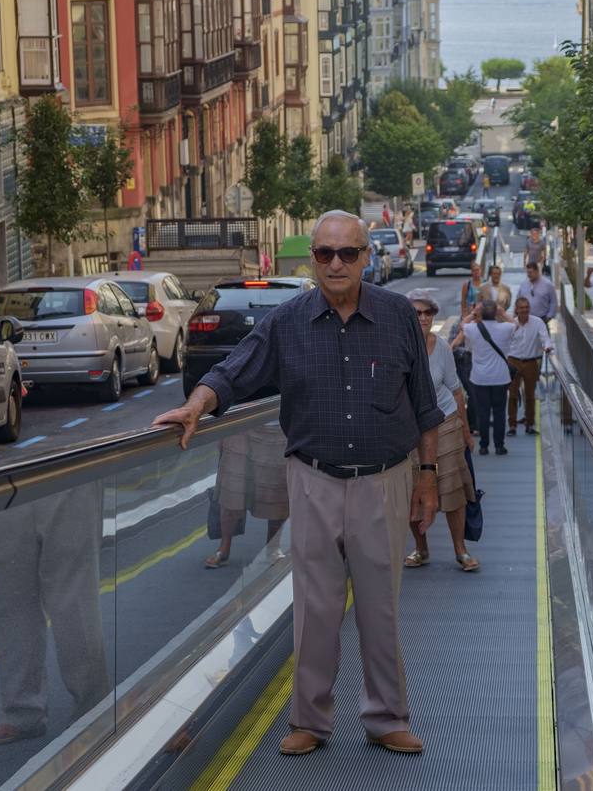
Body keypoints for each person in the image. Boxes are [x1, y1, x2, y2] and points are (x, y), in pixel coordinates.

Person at [152, 210, 442, 758]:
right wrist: (195, 405)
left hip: (386, 479)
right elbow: (233, 371)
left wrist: (427, 479)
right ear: (312, 258)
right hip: (311, 479)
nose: (336, 263)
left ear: (366, 258)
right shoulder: (287, 322)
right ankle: (311, 719)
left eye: (348, 254)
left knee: (381, 609)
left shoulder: (398, 316)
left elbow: (426, 408)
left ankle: (387, 718)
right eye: (325, 253)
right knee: (315, 609)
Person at [0, 489, 111, 745]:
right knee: (13, 600)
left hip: (69, 470)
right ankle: (22, 713)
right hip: (6, 480)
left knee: (74, 598)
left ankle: (92, 709)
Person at [405, 291, 479, 573]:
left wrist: (467, 432)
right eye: (416, 313)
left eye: (427, 313)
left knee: (452, 491)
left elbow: (457, 391)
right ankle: (421, 549)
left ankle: (461, 550)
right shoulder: (399, 347)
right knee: (413, 490)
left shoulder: (443, 349)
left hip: (445, 423)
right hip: (411, 429)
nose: (423, 318)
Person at [206, 424, 289, 568]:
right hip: (241, 423)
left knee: (277, 493)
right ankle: (224, 548)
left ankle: (272, 547)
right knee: (232, 488)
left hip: (280, 426)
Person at [452, 299, 514, 456]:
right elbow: (516, 323)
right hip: (500, 377)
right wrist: (502, 312)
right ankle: (499, 445)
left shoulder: (472, 329)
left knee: (483, 412)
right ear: (496, 313)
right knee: (500, 412)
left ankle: (484, 445)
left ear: (481, 313)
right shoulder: (505, 328)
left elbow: (462, 325)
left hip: (479, 378)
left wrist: (474, 313)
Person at [506, 297, 551, 436]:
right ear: (516, 309)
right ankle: (512, 426)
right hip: (513, 362)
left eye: (526, 307)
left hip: (531, 362)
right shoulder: (510, 324)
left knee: (530, 396)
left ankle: (529, 424)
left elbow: (546, 338)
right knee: (512, 395)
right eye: (521, 308)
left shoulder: (537, 322)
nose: (524, 310)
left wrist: (547, 347)